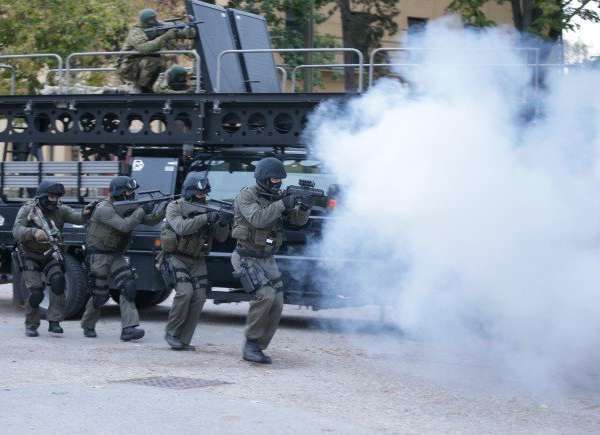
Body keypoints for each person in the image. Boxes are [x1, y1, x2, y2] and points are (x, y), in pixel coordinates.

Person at [231, 158, 312, 364]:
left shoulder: (276, 196)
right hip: (246, 255)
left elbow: (296, 222)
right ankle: (250, 344)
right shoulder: (246, 195)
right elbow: (258, 219)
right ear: (264, 178)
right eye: (275, 179)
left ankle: (258, 346)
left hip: (267, 258)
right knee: (265, 296)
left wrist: (304, 207)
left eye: (280, 180)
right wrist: (283, 203)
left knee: (277, 302)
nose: (278, 183)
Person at [81, 176, 166, 341]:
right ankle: (88, 324)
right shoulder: (104, 209)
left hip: (116, 255)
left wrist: (162, 208)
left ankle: (129, 328)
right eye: (128, 191)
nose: (131, 194)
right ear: (119, 192)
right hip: (99, 255)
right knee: (100, 294)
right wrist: (141, 210)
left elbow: (150, 221)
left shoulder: (128, 206)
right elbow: (125, 226)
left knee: (128, 287)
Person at [12, 181, 93, 337]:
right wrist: (33, 233)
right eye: (51, 196)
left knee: (58, 281)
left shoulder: (60, 209)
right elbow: (16, 230)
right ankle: (31, 324)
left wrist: (86, 213)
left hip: (51, 254)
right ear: (42, 196)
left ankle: (54, 321)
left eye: (57, 197)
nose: (54, 200)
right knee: (36, 292)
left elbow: (77, 218)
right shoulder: (28, 209)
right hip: (30, 255)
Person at [160, 172, 230, 350]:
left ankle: (184, 340)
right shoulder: (174, 206)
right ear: (189, 190)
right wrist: (206, 217)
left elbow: (221, 237)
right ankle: (172, 333)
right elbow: (181, 227)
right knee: (185, 293)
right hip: (176, 257)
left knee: (199, 297)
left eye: (204, 193)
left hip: (197, 260)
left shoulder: (209, 207)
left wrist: (223, 223)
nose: (202, 195)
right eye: (198, 192)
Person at [117, 9, 196, 93]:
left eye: (154, 18)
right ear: (144, 21)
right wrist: (166, 36)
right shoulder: (136, 32)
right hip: (128, 66)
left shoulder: (160, 26)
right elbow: (144, 48)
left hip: (144, 65)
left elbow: (187, 34)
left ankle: (160, 87)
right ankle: (141, 89)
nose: (153, 21)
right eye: (150, 20)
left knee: (169, 61)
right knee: (153, 61)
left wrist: (187, 29)